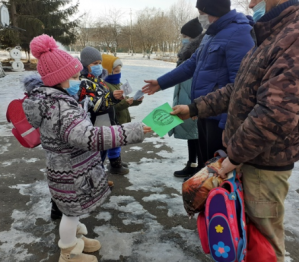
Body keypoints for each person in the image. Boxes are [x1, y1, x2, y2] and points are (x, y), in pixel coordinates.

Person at [170, 0, 299, 261]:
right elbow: (239, 90)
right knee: (241, 239)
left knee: (263, 245)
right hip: (247, 159)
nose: (251, 2)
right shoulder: (272, 34)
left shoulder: (298, 38)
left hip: (264, 165)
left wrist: (232, 158)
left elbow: (275, 114)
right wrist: (194, 108)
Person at [23, 34, 151, 262]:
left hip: (68, 168)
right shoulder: (61, 107)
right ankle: (69, 251)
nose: (77, 81)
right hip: (71, 171)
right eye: (74, 76)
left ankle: (77, 239)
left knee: (74, 211)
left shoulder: (53, 101)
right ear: (60, 79)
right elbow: (89, 137)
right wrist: (133, 131)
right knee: (70, 214)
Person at [142, 0, 254, 165]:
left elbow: (241, 87)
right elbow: (192, 64)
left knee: (216, 172)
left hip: (221, 120)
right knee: (205, 168)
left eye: (201, 13)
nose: (200, 17)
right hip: (204, 111)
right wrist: (161, 82)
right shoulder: (211, 34)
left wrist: (228, 127)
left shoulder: (239, 33)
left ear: (212, 10)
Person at [168, 18, 204, 178]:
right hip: (187, 101)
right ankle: (192, 164)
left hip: (196, 103)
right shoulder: (185, 55)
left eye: (185, 35)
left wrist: (196, 104)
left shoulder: (199, 54)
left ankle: (201, 169)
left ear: (194, 37)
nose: (183, 38)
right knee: (192, 136)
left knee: (199, 136)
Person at [101, 54, 144, 175]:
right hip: (112, 120)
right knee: (114, 143)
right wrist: (126, 103)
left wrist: (135, 100)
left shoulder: (117, 84)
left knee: (118, 141)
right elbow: (111, 107)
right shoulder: (106, 86)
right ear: (107, 71)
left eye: (120, 70)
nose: (119, 73)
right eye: (116, 71)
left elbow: (124, 99)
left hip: (120, 119)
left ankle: (117, 160)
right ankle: (115, 165)